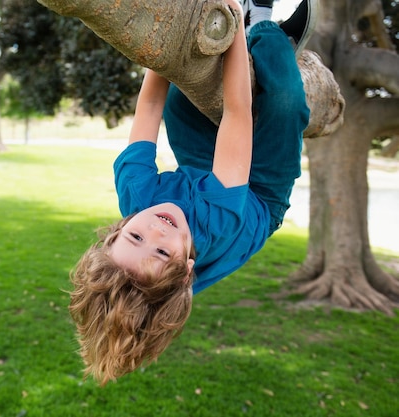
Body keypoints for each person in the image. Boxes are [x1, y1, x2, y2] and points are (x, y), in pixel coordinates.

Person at [69, 0, 316, 385]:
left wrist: (166, 49)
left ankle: (246, 41)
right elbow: (238, 111)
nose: (156, 232)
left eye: (136, 236)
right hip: (258, 197)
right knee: (284, 101)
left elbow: (149, 104)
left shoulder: (136, 192)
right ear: (187, 268)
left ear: (118, 230)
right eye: (162, 252)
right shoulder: (217, 221)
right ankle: (268, 30)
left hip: (201, 174)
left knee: (177, 103)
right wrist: (234, 21)